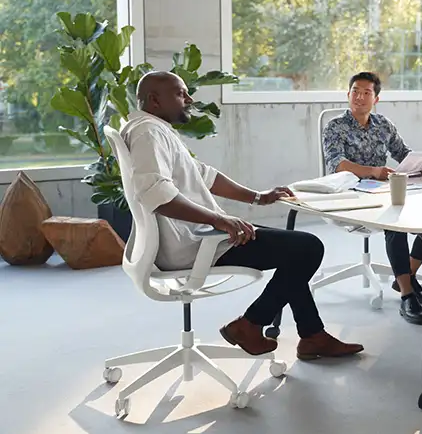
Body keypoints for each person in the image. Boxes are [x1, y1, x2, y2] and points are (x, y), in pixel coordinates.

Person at [122, 71, 363, 360]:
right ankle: (251, 324)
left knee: (294, 249)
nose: (189, 99)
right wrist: (218, 220)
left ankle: (312, 336)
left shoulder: (153, 128)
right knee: (308, 247)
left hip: (196, 236)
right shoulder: (148, 133)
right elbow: (157, 196)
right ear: (154, 99)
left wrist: (258, 197)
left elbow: (204, 176)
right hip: (193, 244)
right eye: (180, 94)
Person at [322, 71, 422, 326]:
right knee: (394, 224)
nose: (360, 97)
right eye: (355, 91)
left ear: (376, 99)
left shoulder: (383, 124)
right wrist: (374, 171)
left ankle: (405, 275)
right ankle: (408, 295)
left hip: (383, 190)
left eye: (366, 93)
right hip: (349, 194)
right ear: (348, 94)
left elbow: (403, 154)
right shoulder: (335, 127)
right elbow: (337, 165)